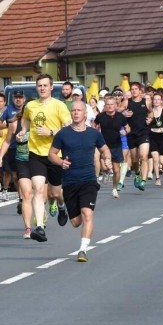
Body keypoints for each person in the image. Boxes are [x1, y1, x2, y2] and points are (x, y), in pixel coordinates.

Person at [49, 100, 112, 262]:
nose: (75, 113)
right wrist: (61, 162)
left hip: (88, 180)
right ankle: (62, 204)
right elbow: (52, 154)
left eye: (79, 110)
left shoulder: (93, 133)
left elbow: (104, 149)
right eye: (73, 110)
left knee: (87, 214)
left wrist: (107, 159)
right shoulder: (63, 134)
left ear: (85, 114)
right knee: (76, 222)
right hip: (70, 181)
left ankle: (82, 250)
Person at [20, 74, 72, 242]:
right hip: (35, 153)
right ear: (36, 88)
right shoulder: (30, 106)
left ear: (51, 88)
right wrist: (24, 131)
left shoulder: (59, 106)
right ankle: (40, 227)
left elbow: (68, 128)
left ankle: (62, 207)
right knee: (38, 189)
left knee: (56, 192)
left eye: (45, 85)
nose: (42, 88)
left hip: (55, 154)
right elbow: (26, 120)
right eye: (39, 85)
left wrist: (50, 132)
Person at [94, 94, 130, 198]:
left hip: (116, 145)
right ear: (105, 105)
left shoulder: (120, 117)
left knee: (116, 170)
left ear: (115, 105)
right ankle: (105, 173)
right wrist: (95, 133)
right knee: (105, 167)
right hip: (104, 146)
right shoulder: (100, 116)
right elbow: (94, 126)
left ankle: (114, 189)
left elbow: (128, 128)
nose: (110, 106)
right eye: (108, 104)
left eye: (112, 104)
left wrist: (125, 131)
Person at [123, 82, 151, 190]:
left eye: (136, 89)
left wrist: (150, 119)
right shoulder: (126, 102)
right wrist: (124, 114)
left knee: (144, 156)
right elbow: (116, 113)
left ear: (140, 91)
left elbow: (151, 112)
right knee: (135, 160)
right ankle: (137, 173)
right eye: (132, 89)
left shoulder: (146, 101)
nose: (134, 91)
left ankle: (143, 181)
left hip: (143, 133)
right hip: (131, 134)